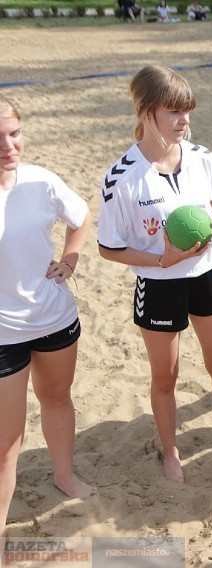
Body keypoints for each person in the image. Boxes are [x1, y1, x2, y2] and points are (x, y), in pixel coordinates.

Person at [97, 66, 212, 483]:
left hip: (206, 274)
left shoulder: (203, 158)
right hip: (159, 285)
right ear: (147, 112)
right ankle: (170, 451)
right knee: (166, 377)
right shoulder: (122, 177)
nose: (185, 120)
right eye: (175, 112)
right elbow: (108, 247)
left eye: (188, 111)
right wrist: (160, 261)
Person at [0, 94, 95, 536]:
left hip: (54, 317)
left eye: (15, 134)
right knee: (7, 444)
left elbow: (80, 218)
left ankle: (63, 475)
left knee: (57, 399)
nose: (9, 146)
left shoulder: (41, 181)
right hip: (3, 331)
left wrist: (70, 261)